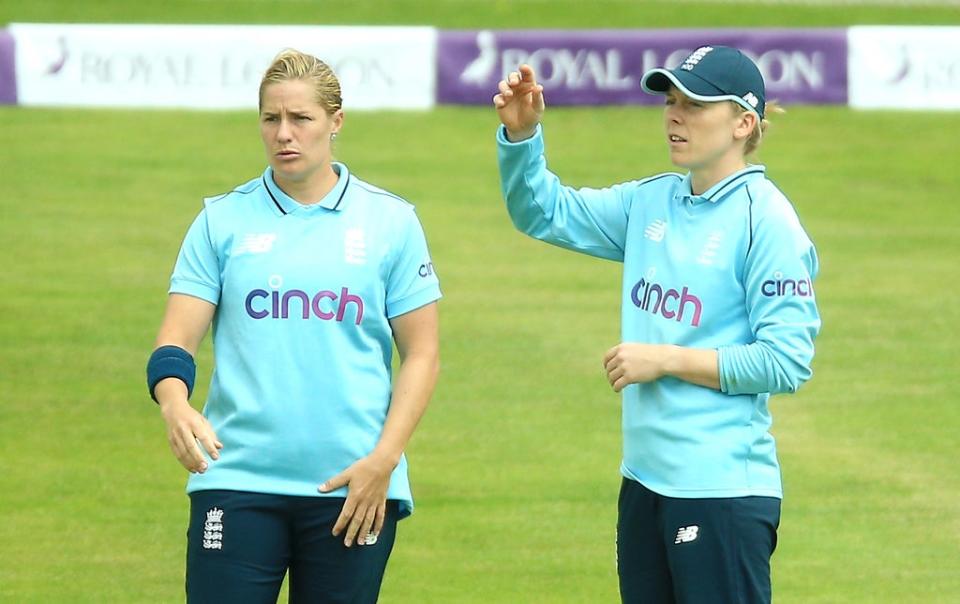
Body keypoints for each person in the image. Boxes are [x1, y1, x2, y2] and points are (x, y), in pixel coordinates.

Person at [493, 46, 820, 603]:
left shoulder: (766, 221)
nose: (673, 115)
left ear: (744, 122)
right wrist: (523, 140)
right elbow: (543, 212)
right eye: (671, 101)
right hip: (644, 483)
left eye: (694, 104)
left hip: (721, 493)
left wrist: (664, 358)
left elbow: (785, 360)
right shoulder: (652, 202)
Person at [146, 48, 441, 603]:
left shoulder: (391, 223)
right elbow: (175, 341)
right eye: (270, 118)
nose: (284, 134)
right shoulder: (221, 220)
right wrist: (174, 403)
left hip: (354, 486)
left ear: (336, 122)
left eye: (301, 119)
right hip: (236, 482)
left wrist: (385, 460)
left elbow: (421, 354)